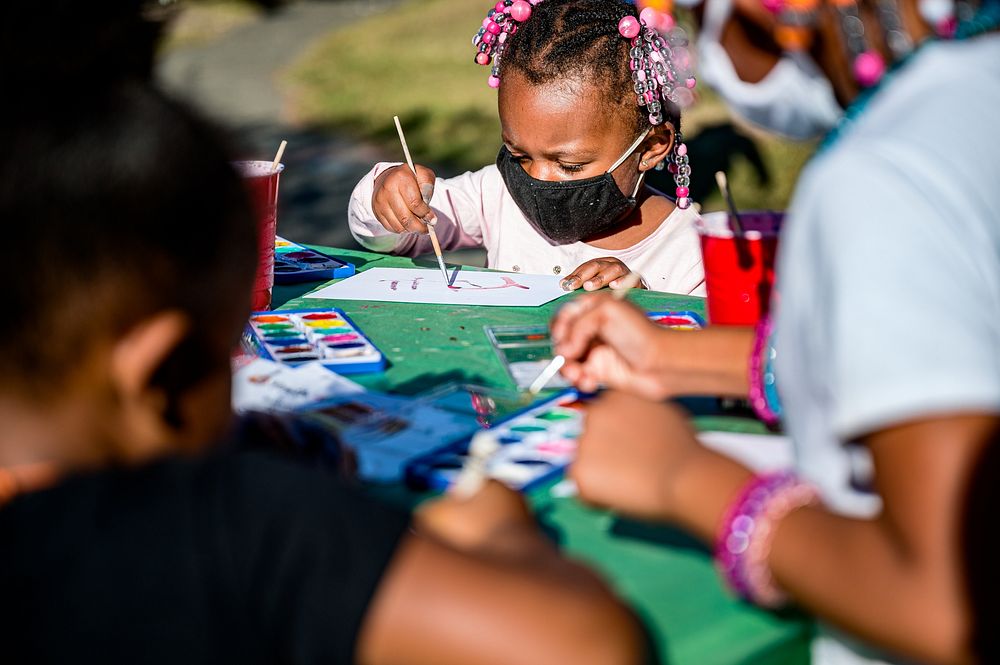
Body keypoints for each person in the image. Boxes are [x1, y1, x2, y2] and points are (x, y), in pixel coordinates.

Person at [0, 20, 651, 665]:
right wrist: (495, 521)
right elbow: (588, 640)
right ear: (165, 374)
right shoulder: (237, 526)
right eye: (233, 350)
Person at [550, 0, 1000, 662]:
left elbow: (947, 602)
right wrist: (677, 358)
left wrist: (685, 476)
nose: (702, 42)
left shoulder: (886, 175)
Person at [348, 0, 706, 295]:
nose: (538, 178)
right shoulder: (496, 196)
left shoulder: (692, 253)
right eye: (519, 155)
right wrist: (386, 194)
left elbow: (707, 360)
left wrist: (644, 306)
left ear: (652, 147)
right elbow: (387, 241)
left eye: (569, 165)